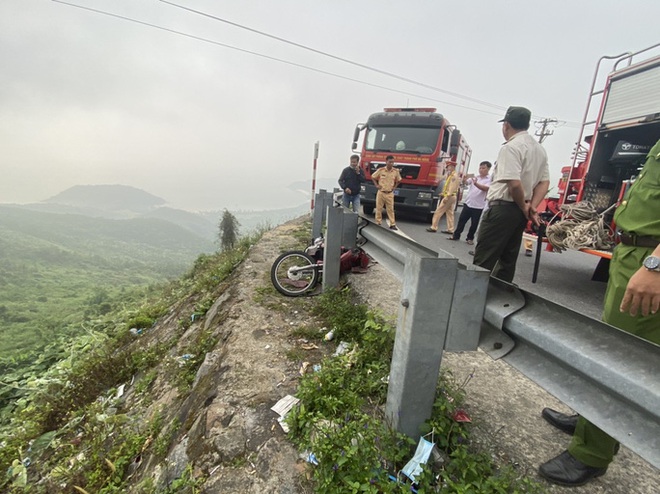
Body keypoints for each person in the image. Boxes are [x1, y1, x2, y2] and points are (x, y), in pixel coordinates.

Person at [538, 138, 660, 487]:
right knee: (609, 348)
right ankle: (593, 420)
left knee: (621, 360)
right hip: (633, 254)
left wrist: (656, 263)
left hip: (650, 260)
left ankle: (591, 454)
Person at [473, 106, 550, 283]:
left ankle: (472, 299)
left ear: (506, 125)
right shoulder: (539, 149)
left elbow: (514, 183)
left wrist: (525, 206)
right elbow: (544, 182)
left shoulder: (511, 147)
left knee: (483, 260)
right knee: (507, 261)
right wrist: (531, 206)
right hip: (518, 212)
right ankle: (500, 302)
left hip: (503, 209)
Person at [447, 161, 492, 244]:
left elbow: (485, 188)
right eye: (480, 168)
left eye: (483, 168)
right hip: (468, 203)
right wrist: (464, 179)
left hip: (479, 206)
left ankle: (470, 238)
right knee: (462, 220)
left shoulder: (489, 179)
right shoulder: (475, 177)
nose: (481, 170)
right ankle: (456, 235)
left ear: (488, 169)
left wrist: (476, 183)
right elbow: (466, 183)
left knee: (474, 224)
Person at [426, 161, 459, 233]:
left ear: (453, 167)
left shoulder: (453, 176)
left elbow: (452, 188)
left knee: (438, 211)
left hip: (449, 197)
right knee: (450, 213)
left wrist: (447, 197)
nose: (447, 168)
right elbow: (448, 186)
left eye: (448, 167)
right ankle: (450, 229)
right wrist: (443, 193)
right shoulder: (451, 175)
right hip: (451, 196)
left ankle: (433, 227)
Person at [371, 155, 402, 230]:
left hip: (389, 193)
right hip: (381, 192)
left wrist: (394, 187)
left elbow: (399, 180)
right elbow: (373, 177)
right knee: (379, 208)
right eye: (390, 162)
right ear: (386, 162)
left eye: (392, 162)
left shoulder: (395, 171)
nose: (391, 164)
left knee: (391, 209)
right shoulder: (381, 170)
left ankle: (392, 224)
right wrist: (376, 185)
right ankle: (378, 222)